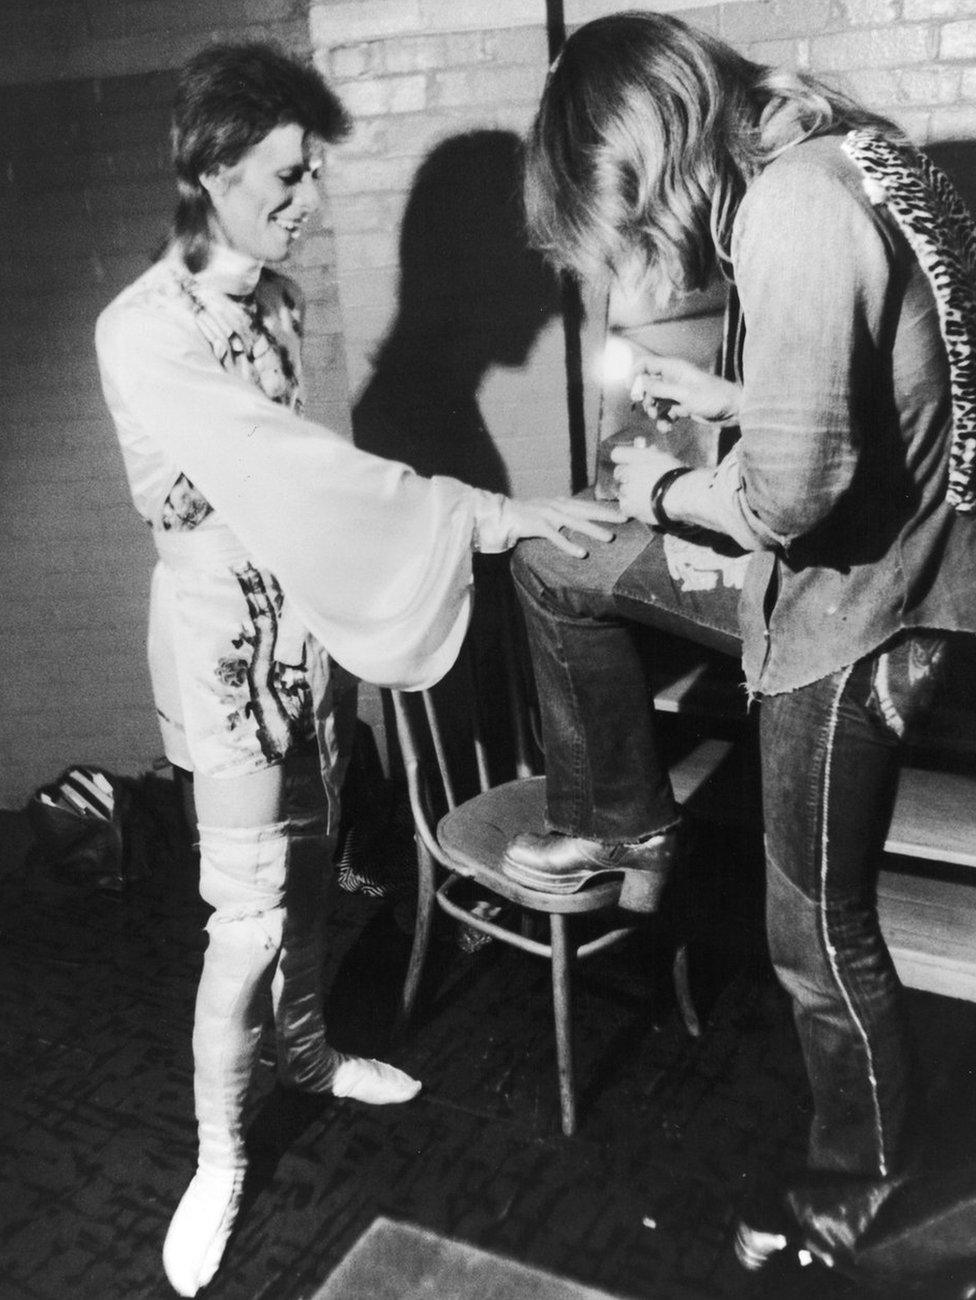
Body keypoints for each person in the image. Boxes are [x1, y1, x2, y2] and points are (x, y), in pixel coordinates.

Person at [95, 42, 618, 1298]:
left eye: (315, 175)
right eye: (285, 179)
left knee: (320, 871)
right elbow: (302, 476)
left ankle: (314, 1052)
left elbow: (306, 492)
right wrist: (491, 515)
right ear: (210, 171)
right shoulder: (141, 331)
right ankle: (220, 1158)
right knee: (248, 921)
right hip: (223, 651)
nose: (308, 205)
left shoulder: (272, 303)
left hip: (301, 633)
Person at [499, 9, 976, 1272]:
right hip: (893, 570)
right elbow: (876, 379)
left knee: (813, 933)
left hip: (864, 608)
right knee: (557, 563)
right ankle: (627, 820)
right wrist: (720, 401)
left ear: (654, 151)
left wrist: (658, 487)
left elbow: (790, 498)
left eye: (639, 223)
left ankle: (856, 1188)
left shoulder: (791, 208)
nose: (655, 258)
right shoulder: (850, 153)